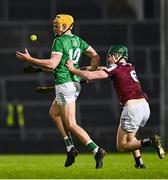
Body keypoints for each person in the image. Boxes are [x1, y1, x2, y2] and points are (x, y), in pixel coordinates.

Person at [16, 14, 106, 169]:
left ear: (66, 27)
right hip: (74, 84)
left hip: (65, 86)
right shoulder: (78, 40)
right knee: (54, 113)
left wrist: (30, 59)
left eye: (58, 25)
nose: (54, 28)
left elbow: (52, 64)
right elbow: (95, 56)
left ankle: (96, 150)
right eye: (55, 25)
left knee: (71, 124)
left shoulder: (58, 41)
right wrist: (89, 73)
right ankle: (70, 149)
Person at [66, 44, 165, 168]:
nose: (108, 60)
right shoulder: (129, 67)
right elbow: (101, 69)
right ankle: (139, 162)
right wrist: (84, 68)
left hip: (132, 109)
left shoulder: (115, 68)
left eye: (110, 57)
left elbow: (91, 75)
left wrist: (73, 69)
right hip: (144, 107)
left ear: (117, 56)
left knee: (122, 146)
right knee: (131, 136)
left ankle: (151, 142)